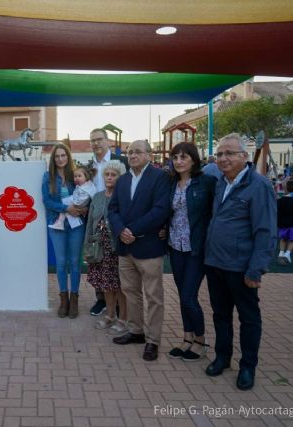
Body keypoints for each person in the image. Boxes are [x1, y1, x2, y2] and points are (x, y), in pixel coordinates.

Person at [204, 133, 277, 391]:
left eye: (229, 153)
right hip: (216, 264)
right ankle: (223, 357)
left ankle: (248, 366)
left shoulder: (258, 186)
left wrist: (256, 270)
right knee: (221, 315)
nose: (223, 158)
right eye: (220, 154)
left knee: (248, 318)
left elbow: (266, 231)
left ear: (244, 157)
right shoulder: (221, 183)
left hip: (242, 268)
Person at [107, 140, 171, 362]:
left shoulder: (160, 177)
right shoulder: (123, 180)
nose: (132, 155)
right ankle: (136, 331)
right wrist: (120, 230)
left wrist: (131, 230)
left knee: (154, 296)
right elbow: (112, 209)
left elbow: (160, 211)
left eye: (137, 152)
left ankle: (153, 340)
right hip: (125, 248)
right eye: (129, 152)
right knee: (130, 292)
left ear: (149, 155)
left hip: (148, 246)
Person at [165, 143, 217, 361]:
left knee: (189, 296)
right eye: (175, 157)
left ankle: (201, 341)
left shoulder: (206, 182)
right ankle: (187, 338)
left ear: (193, 160)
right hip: (175, 246)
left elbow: (216, 213)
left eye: (183, 157)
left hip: (196, 248)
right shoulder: (171, 183)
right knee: (182, 295)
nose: (179, 161)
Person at [42, 143, 86, 319]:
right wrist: (66, 209)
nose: (61, 159)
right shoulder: (48, 176)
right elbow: (47, 201)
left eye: (63, 156)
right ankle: (63, 299)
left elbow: (86, 194)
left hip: (76, 224)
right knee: (60, 263)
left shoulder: (75, 176)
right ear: (53, 159)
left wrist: (82, 208)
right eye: (57, 156)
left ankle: (74, 299)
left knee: (75, 263)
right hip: (57, 223)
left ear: (68, 157)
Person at [88, 128, 128, 316]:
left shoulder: (121, 162)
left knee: (116, 265)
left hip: (117, 218)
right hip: (95, 217)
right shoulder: (89, 165)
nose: (96, 143)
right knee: (98, 261)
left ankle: (120, 306)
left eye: (99, 139)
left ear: (107, 141)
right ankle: (101, 300)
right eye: (92, 140)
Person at [49, 164, 96, 230]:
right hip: (79, 202)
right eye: (75, 176)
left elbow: (87, 196)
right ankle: (60, 222)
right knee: (65, 204)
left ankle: (60, 223)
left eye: (79, 176)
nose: (77, 178)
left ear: (86, 177)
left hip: (79, 202)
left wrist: (75, 202)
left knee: (64, 203)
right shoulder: (83, 185)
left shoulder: (87, 187)